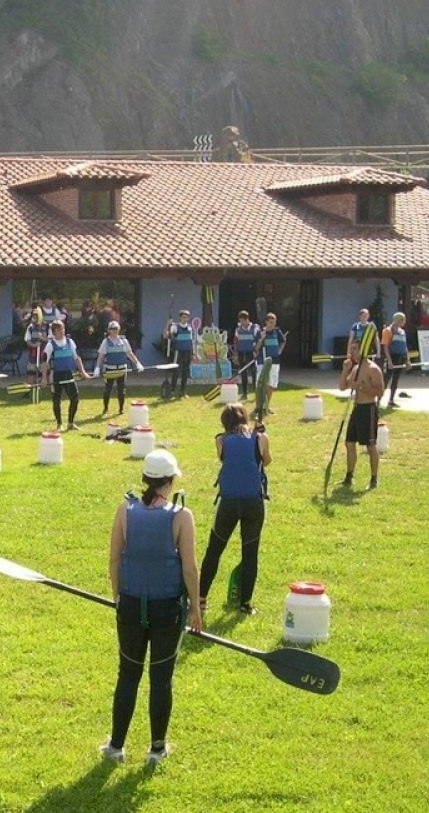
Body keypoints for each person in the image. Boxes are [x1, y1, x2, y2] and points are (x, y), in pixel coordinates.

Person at [100, 449, 201, 767]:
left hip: (129, 605)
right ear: (169, 482)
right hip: (166, 611)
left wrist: (118, 597)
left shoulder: (124, 510)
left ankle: (116, 747)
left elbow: (115, 559)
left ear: (146, 479)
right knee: (161, 678)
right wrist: (196, 608)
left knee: (128, 674)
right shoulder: (182, 517)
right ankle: (157, 749)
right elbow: (189, 569)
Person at [197, 404, 271, 617]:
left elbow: (224, 457)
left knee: (214, 550)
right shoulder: (260, 438)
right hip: (253, 503)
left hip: (228, 503)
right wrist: (260, 434)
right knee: (250, 553)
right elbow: (267, 461)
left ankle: (201, 599)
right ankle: (245, 604)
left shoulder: (221, 440)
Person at [338, 343, 385, 489]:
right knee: (349, 443)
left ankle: (374, 478)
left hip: (368, 409)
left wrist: (362, 387)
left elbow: (380, 392)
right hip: (357, 408)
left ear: (363, 350)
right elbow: (342, 386)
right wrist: (345, 371)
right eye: (350, 348)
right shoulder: (356, 368)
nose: (351, 352)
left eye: (355, 349)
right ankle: (349, 475)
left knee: (370, 445)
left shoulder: (373, 369)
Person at [43, 319, 90, 430]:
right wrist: (44, 378)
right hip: (56, 375)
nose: (61, 331)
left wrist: (83, 372)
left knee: (75, 398)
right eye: (59, 329)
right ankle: (59, 424)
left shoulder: (70, 342)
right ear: (53, 332)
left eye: (62, 328)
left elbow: (77, 358)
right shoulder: (50, 345)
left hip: (69, 374)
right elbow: (44, 363)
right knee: (56, 400)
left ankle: (70, 423)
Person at [92, 321, 143, 415]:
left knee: (121, 390)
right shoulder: (105, 342)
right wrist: (97, 368)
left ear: (119, 329)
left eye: (116, 329)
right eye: (112, 329)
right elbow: (101, 356)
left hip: (122, 369)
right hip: (110, 369)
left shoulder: (124, 341)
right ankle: (106, 408)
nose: (114, 331)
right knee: (108, 390)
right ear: (109, 330)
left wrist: (137, 363)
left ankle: (121, 409)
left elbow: (130, 353)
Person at [381, 312, 411, 408]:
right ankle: (378, 400)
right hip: (392, 357)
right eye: (403, 320)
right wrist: (389, 361)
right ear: (398, 320)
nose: (404, 322)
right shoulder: (387, 330)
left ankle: (391, 400)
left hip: (400, 357)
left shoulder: (402, 332)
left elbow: (404, 347)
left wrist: (407, 360)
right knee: (386, 380)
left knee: (395, 380)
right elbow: (385, 347)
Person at [162, 309, 195, 397]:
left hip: (188, 351)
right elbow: (165, 335)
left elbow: (191, 341)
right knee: (176, 371)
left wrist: (193, 352)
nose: (185, 319)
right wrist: (168, 325)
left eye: (187, 317)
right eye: (183, 317)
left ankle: (183, 391)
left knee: (185, 372)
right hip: (178, 352)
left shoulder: (190, 328)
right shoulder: (175, 327)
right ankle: (172, 390)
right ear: (180, 318)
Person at [257, 313, 286, 410]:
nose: (273, 324)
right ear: (266, 322)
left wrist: (280, 350)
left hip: (275, 361)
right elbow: (256, 348)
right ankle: (259, 406)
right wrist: (262, 339)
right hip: (263, 361)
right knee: (261, 385)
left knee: (272, 385)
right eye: (271, 322)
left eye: (274, 322)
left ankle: (267, 406)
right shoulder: (260, 332)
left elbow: (283, 341)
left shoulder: (277, 331)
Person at [232, 310, 261, 400]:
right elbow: (236, 342)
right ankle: (244, 393)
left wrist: (257, 351)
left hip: (251, 353)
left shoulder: (255, 328)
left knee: (253, 372)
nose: (241, 323)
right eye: (240, 321)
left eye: (242, 321)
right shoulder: (238, 329)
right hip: (241, 353)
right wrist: (236, 354)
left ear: (247, 319)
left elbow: (259, 340)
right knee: (243, 373)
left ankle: (256, 392)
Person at [23, 307, 49, 388]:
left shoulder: (47, 326)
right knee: (31, 372)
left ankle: (44, 389)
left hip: (44, 354)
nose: (34, 317)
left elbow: (50, 340)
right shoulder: (30, 327)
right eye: (33, 315)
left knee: (45, 372)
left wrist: (42, 338)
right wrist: (34, 345)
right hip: (33, 355)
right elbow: (27, 340)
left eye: (36, 315)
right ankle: (31, 389)